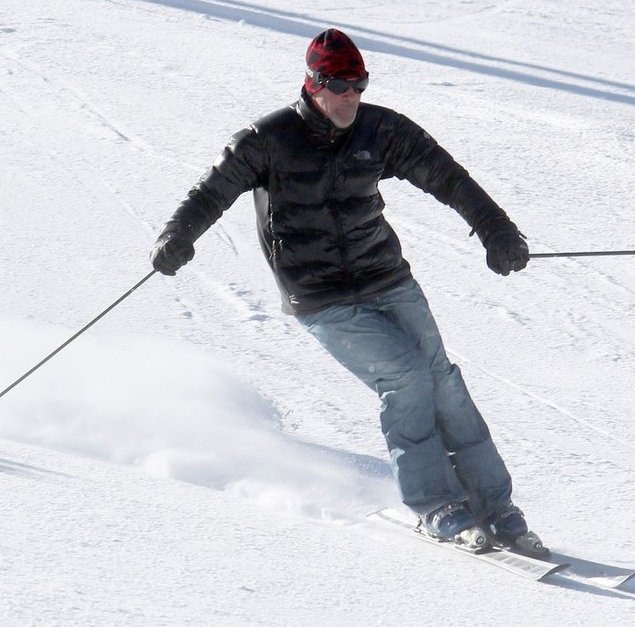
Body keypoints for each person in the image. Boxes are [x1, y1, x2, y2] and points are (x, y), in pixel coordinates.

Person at [150, 28, 535, 546]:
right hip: (320, 294)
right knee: (405, 376)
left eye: (359, 85)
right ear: (313, 84)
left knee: (441, 377)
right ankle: (436, 503)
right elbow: (209, 192)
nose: (351, 96)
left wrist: (496, 228)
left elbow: (448, 177)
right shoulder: (267, 140)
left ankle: (495, 503)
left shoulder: (380, 130)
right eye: (339, 85)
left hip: (386, 275)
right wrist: (177, 236)